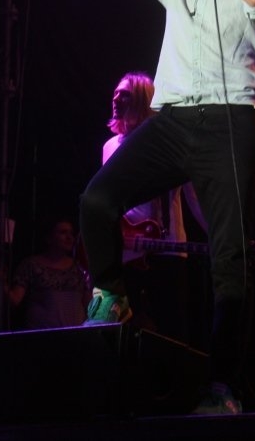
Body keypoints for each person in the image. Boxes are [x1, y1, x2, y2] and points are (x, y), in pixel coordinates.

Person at [13, 0, 255, 414]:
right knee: (97, 200)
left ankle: (223, 386)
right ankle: (111, 293)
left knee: (230, 260)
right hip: (174, 121)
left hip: (233, 124)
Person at [105, 71, 204, 342]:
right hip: (127, 251)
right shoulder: (110, 146)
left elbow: (195, 197)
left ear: (142, 100)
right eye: (115, 93)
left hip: (168, 248)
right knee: (125, 329)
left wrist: (218, 234)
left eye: (124, 95)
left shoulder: (170, 145)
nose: (116, 98)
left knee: (171, 328)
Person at [7, 215, 89, 330]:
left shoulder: (79, 268)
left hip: (75, 336)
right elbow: (15, 299)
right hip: (42, 337)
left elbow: (88, 304)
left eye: (71, 233)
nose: (69, 237)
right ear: (49, 238)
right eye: (63, 232)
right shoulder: (31, 265)